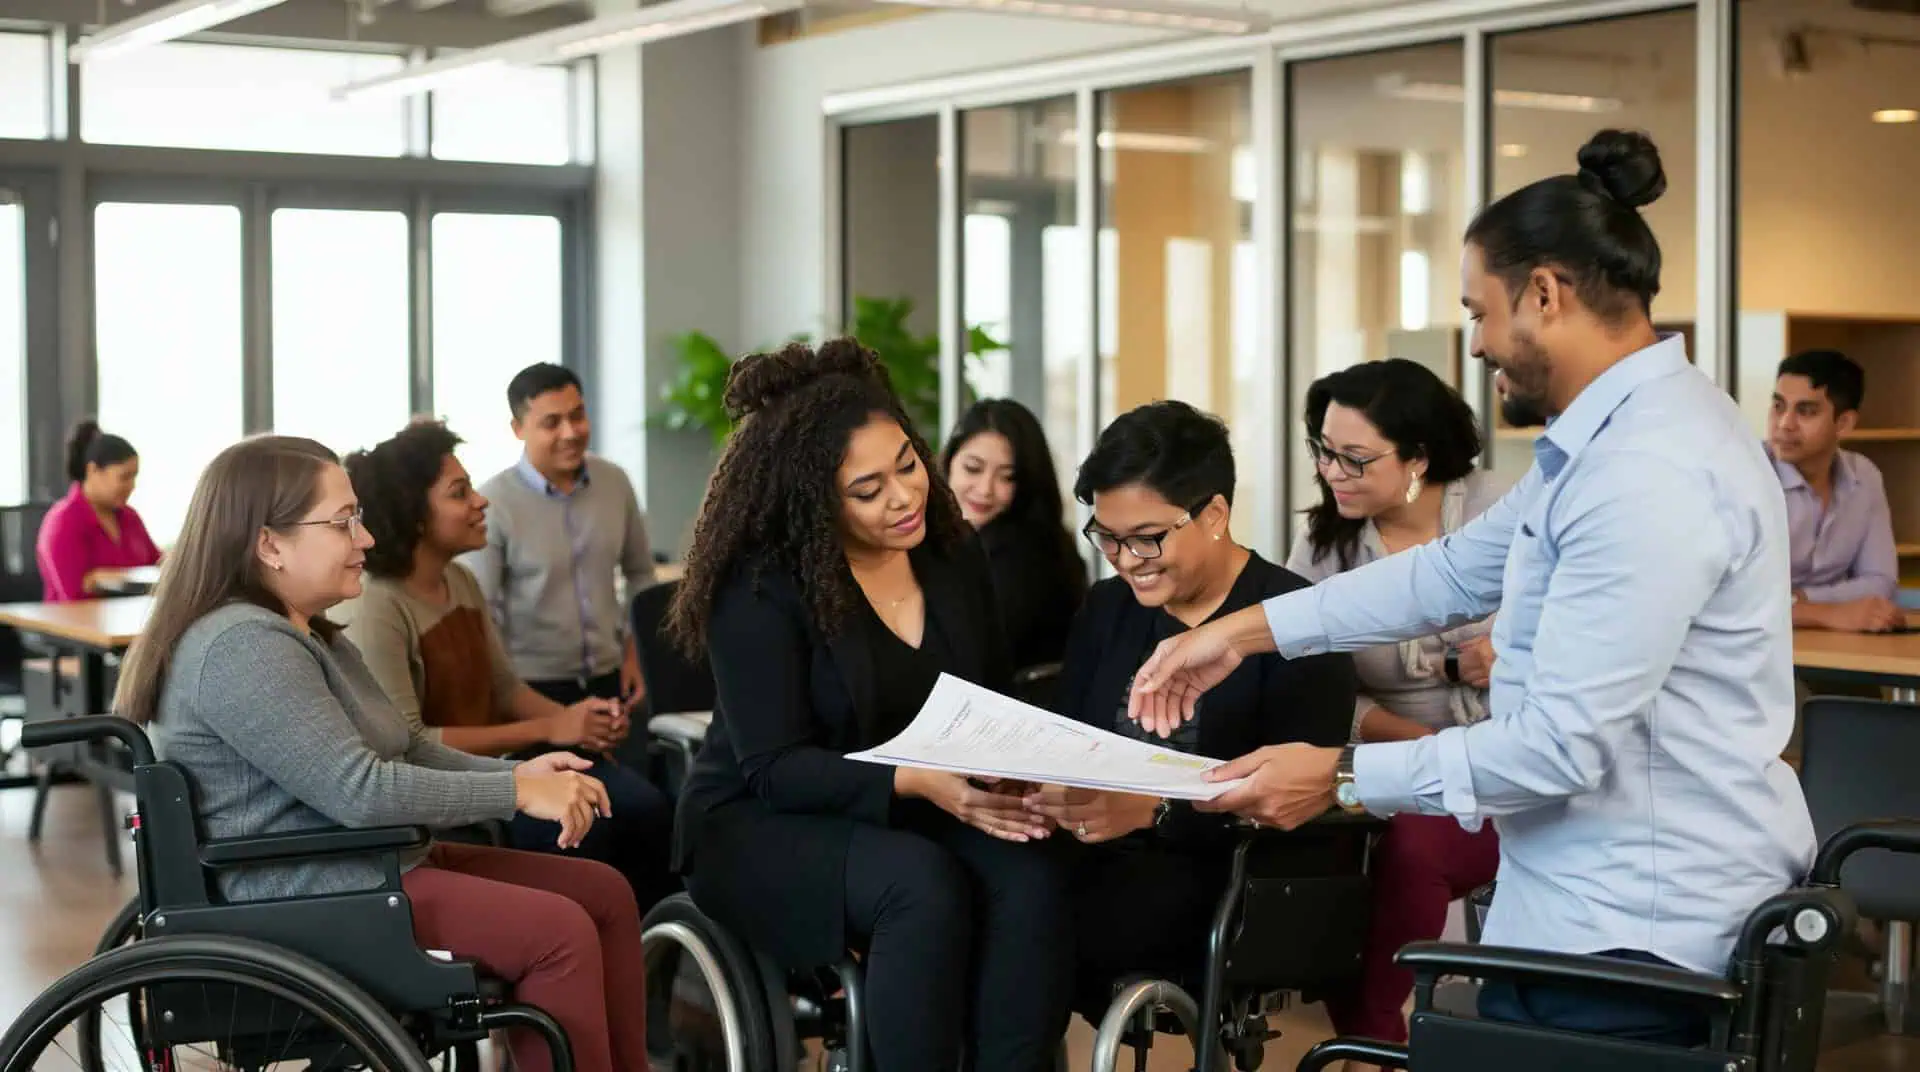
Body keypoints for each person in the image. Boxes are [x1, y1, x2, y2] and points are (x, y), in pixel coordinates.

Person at [1127, 129, 1815, 1047]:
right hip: (1580, 910)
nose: (1479, 343)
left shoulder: (1650, 469)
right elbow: (1453, 570)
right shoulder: (1610, 443)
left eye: (1479, 312)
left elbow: (1560, 749)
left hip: (1639, 937)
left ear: (1544, 294)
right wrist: (1240, 632)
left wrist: (1337, 777)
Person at [112, 434, 645, 1072]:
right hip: (310, 888)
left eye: (358, 518)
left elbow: (409, 746)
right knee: (558, 932)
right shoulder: (242, 648)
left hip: (365, 865)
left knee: (605, 894)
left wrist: (519, 772)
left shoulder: (312, 635)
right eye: (343, 523)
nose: (365, 539)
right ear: (269, 544)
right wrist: (515, 793)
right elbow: (360, 791)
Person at [669, 339, 1072, 1072]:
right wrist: (916, 781)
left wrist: (1021, 769)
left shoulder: (951, 555)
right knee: (919, 884)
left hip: (921, 802)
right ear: (813, 497)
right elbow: (773, 767)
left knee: (1031, 869)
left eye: (909, 466)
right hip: (761, 820)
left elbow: (992, 698)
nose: (905, 497)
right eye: (868, 489)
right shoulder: (760, 589)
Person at [1030, 399, 1354, 1013]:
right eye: (1108, 539)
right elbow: (1071, 736)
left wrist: (1154, 813)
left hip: (1225, 876)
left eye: (1147, 539)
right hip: (1096, 857)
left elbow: (1298, 803)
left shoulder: (1294, 618)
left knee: (1026, 919)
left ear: (1214, 514)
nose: (1127, 561)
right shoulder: (1107, 609)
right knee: (981, 889)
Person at [339, 419, 677, 911]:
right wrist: (551, 726)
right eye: (460, 493)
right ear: (414, 515)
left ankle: (653, 961)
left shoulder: (459, 580)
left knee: (647, 809)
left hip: (501, 766)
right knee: (591, 831)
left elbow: (503, 689)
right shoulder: (377, 606)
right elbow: (412, 743)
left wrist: (576, 722)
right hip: (451, 791)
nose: (481, 502)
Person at [1283, 359, 1503, 1048]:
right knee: (1325, 840)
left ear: (1418, 456)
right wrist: (1410, 738)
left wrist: (1518, 648)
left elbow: (1586, 626)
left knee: (1410, 846)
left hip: (1511, 768)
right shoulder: (1325, 546)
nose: (1332, 473)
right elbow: (1315, 691)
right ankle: (1368, 1035)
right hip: (1388, 758)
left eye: (1354, 458)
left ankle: (1371, 1044)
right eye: (1324, 453)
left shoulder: (1501, 512)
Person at [464, 363, 656, 710]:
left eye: (578, 415)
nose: (570, 432)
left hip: (613, 680)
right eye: (551, 423)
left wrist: (636, 656)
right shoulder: (492, 503)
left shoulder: (615, 482)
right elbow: (482, 611)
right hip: (532, 689)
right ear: (518, 429)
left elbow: (641, 574)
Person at [939, 398, 1087, 670]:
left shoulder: (1023, 554)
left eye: (1007, 477)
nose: (985, 489)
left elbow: (970, 658)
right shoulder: (953, 540)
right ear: (949, 463)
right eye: (973, 468)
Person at [1767, 349, 1903, 634]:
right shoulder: (1746, 476)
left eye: (1805, 411)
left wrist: (1803, 601)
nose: (1784, 424)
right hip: (1753, 651)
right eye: (1779, 406)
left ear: (1844, 424)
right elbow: (1730, 600)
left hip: (1835, 644)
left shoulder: (1864, 477)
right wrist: (1829, 613)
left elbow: (1880, 581)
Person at [36, 419, 161, 602]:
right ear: (93, 470)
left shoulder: (130, 517)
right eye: (124, 477)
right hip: (76, 626)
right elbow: (74, 593)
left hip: (129, 621)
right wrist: (119, 579)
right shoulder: (63, 521)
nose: (132, 486)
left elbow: (156, 563)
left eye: (134, 477)